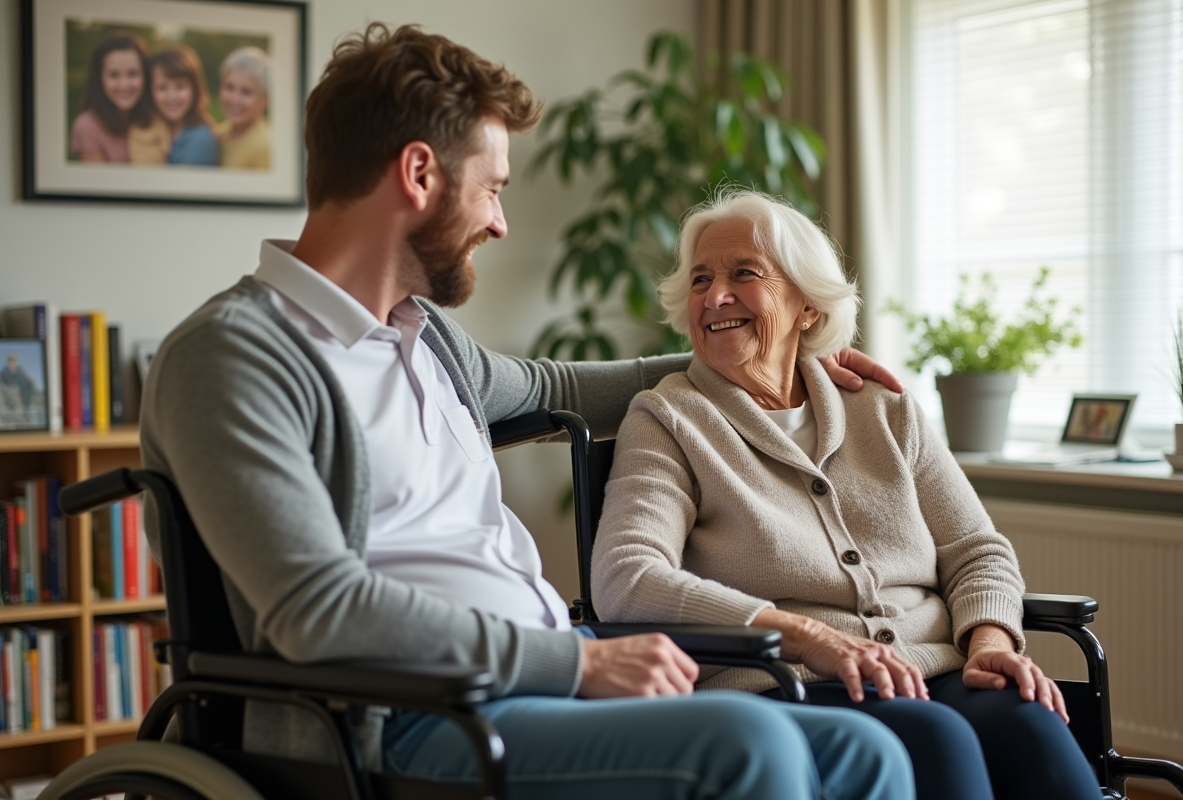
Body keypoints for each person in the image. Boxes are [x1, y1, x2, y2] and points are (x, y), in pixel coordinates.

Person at [140, 23, 915, 800]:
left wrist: (758, 349)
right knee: (746, 744)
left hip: (533, 681)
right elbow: (320, 611)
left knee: (864, 751)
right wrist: (579, 663)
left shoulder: (424, 334)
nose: (500, 222)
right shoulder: (233, 358)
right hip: (394, 721)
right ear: (418, 174)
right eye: (493, 187)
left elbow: (561, 388)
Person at [591, 190, 1103, 800]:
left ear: (808, 306)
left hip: (935, 665)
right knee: (937, 737)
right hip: (785, 682)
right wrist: (806, 636)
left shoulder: (882, 408)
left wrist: (989, 642)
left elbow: (976, 549)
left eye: (743, 274)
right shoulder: (670, 418)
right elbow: (627, 577)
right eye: (701, 280)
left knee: (1032, 722)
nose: (714, 296)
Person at [70, 31, 155, 163]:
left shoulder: (157, 118)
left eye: (133, 73)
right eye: (114, 75)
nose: (124, 84)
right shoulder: (87, 126)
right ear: (99, 78)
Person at [146, 44, 219, 167]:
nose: (172, 96)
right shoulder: (155, 128)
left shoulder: (200, 139)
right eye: (162, 88)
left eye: (180, 87)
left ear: (195, 89)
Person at [215, 46, 272, 170]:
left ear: (265, 100)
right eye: (229, 87)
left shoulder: (266, 146)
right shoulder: (216, 135)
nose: (235, 99)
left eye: (246, 92)